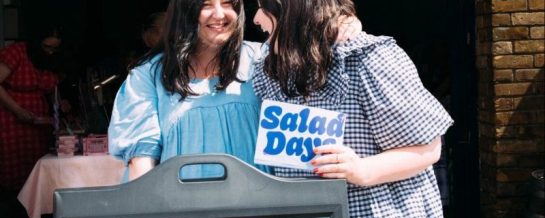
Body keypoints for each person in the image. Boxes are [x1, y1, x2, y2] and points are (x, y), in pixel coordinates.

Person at [252, 0, 456, 218]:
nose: (256, 18)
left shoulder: (369, 61)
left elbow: (428, 147)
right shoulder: (273, 66)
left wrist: (362, 168)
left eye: (263, 7)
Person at [108, 0, 361, 181]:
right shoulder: (149, 76)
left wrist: (340, 24)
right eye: (206, 5)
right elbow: (142, 164)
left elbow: (313, 68)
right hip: (182, 217)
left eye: (228, 3)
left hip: (263, 216)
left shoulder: (264, 60)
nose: (220, 14)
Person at [0, 25, 64, 218]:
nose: (49, 52)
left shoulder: (49, 61)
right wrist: (17, 110)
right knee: (11, 175)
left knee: (33, 172)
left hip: (36, 124)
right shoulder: (17, 52)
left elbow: (52, 91)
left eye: (54, 49)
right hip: (10, 120)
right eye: (46, 47)